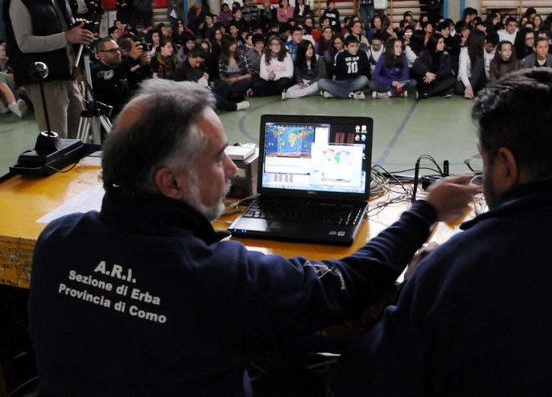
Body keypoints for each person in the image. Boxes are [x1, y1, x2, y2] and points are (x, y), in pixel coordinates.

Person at [28, 78, 476, 395]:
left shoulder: (57, 240)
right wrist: (426, 210)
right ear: (172, 184)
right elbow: (348, 285)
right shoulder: (220, 276)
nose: (234, 169)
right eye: (220, 157)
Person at [330, 67, 552, 396]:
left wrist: (413, 287)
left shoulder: (455, 272)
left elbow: (361, 381)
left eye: (484, 160)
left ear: (506, 165)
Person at [2, 0, 94, 138]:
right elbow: (25, 43)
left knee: (78, 131)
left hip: (66, 74)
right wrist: (67, 36)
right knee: (57, 138)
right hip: (44, 81)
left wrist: (75, 28)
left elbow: (58, 27)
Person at [91, 38, 151, 116]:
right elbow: (113, 76)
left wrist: (145, 65)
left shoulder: (122, 70)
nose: (118, 53)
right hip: (106, 120)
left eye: (118, 49)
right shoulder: (96, 71)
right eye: (112, 51)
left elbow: (141, 84)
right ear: (101, 55)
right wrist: (131, 58)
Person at [318, 34, 370, 100]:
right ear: (345, 47)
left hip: (356, 81)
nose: (355, 48)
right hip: (342, 82)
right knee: (321, 82)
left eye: (357, 46)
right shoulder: (340, 55)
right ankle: (350, 95)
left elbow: (366, 70)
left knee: (364, 79)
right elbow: (337, 72)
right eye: (352, 46)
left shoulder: (362, 54)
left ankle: (335, 93)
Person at [413, 34, 455, 100]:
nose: (443, 44)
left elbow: (447, 70)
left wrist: (434, 76)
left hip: (438, 78)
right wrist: (427, 73)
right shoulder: (425, 53)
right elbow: (416, 64)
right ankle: (441, 91)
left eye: (443, 42)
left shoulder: (445, 54)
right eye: (440, 42)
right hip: (427, 78)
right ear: (434, 43)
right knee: (421, 80)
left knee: (452, 80)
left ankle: (426, 94)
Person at [456, 29, 487, 99]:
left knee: (479, 60)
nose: (485, 42)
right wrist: (469, 87)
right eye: (484, 40)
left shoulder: (482, 51)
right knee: (460, 88)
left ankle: (469, 91)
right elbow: (462, 73)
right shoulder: (464, 51)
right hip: (466, 81)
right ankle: (470, 90)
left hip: (478, 80)